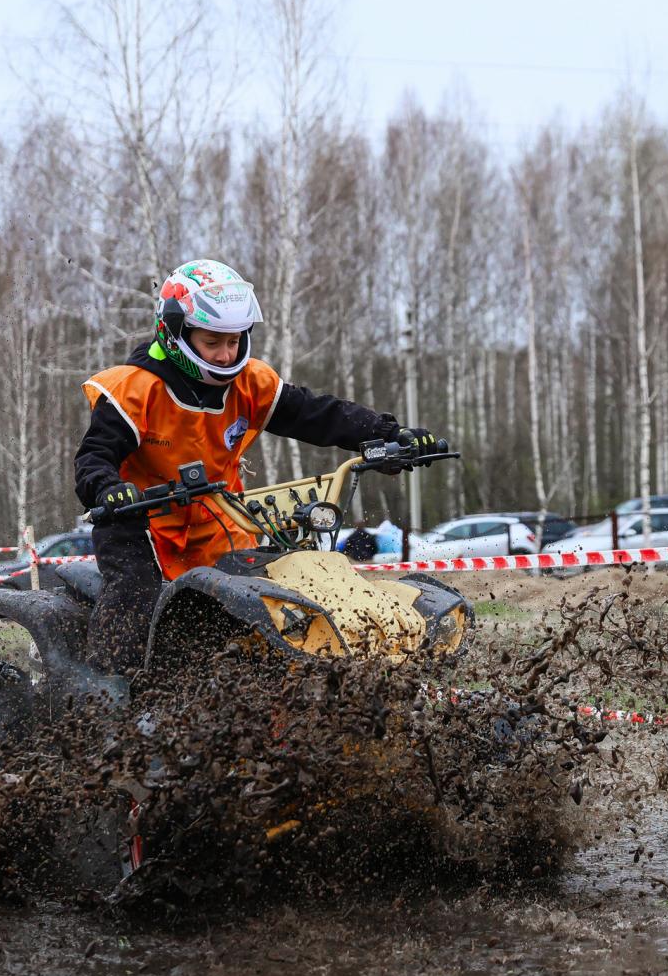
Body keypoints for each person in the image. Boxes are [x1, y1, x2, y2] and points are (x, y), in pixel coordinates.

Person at [73, 259, 435, 677]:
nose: (227, 354)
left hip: (219, 519)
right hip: (138, 521)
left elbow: (317, 414)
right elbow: (93, 456)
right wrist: (107, 488)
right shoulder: (134, 389)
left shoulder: (249, 382)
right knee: (134, 597)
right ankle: (103, 700)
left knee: (272, 602)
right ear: (175, 334)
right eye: (213, 342)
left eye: (235, 340)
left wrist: (388, 434)